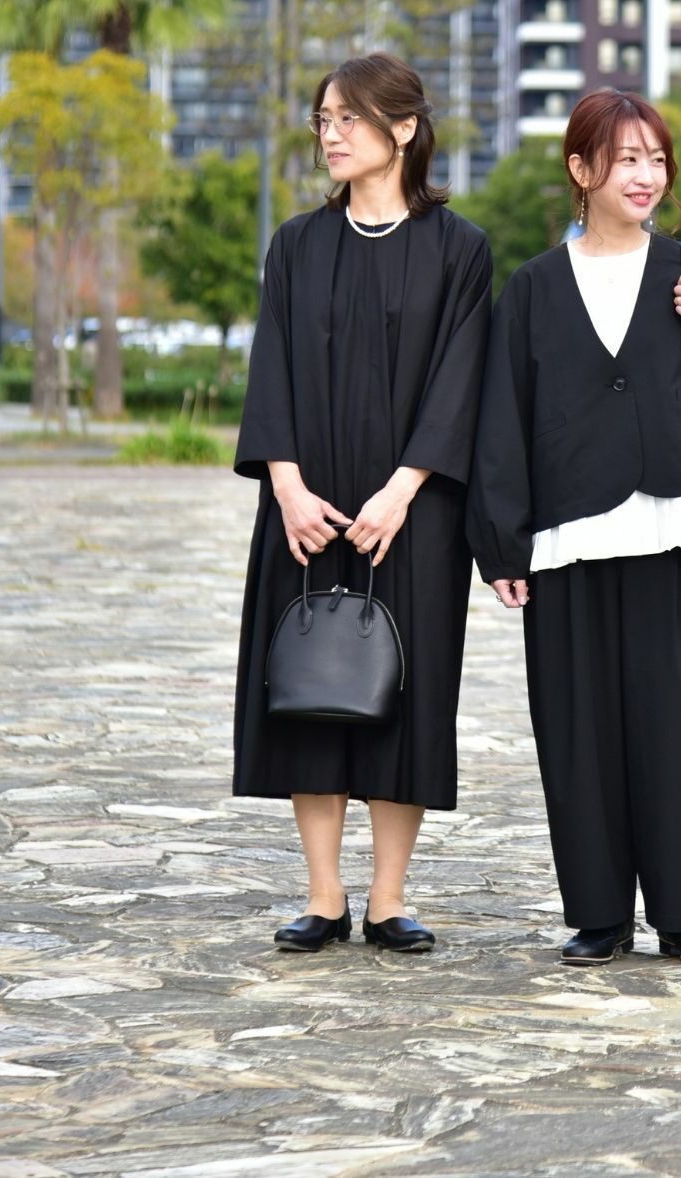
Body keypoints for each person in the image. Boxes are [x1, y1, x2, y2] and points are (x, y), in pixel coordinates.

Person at [466, 88, 681, 966]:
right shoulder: (532, 288)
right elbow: (501, 423)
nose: (646, 175)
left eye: (656, 159)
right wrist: (500, 544)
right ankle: (597, 913)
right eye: (626, 159)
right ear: (581, 168)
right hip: (571, 535)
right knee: (579, 728)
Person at [233, 52, 492, 955]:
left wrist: (404, 489)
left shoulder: (460, 249)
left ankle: (388, 899)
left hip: (413, 514)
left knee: (404, 695)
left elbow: (461, 382)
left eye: (348, 118)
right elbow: (271, 370)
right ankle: (323, 895)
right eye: (323, 120)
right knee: (307, 690)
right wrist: (287, 486)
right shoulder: (297, 245)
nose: (330, 135)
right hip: (304, 509)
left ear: (404, 128)